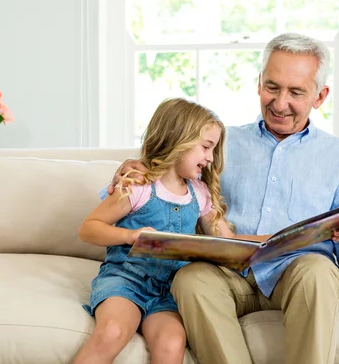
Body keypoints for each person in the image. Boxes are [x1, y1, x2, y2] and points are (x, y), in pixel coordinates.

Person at [106, 33, 339, 364]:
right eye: (272, 87)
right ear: (258, 84)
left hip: (297, 274)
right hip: (226, 273)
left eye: (296, 92)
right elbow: (166, 173)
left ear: (320, 96)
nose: (280, 103)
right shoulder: (220, 142)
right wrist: (142, 166)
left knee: (318, 273)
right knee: (190, 279)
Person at [74, 98, 238, 364]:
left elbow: (228, 242)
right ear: (178, 140)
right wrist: (130, 236)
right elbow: (88, 229)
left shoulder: (199, 193)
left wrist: (283, 239)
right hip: (126, 281)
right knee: (112, 332)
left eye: (213, 149)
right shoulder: (138, 185)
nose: (210, 158)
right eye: (206, 147)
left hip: (169, 292)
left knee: (171, 344)